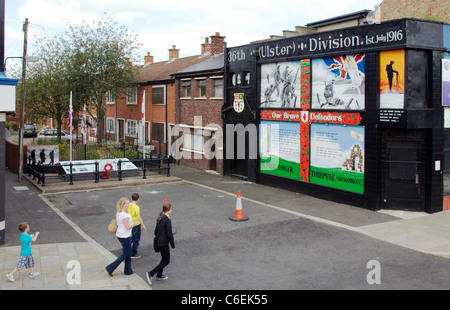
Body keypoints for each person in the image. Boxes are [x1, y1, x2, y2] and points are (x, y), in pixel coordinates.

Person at [146, 203, 175, 285]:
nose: (172, 210)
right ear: (168, 210)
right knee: (166, 261)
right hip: (164, 243)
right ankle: (151, 273)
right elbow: (170, 234)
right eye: (171, 209)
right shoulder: (167, 220)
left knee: (163, 259)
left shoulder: (160, 218)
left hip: (159, 241)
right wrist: (172, 245)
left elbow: (155, 231)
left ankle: (159, 274)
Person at [105, 197, 135, 276]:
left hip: (120, 235)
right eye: (127, 203)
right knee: (126, 253)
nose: (129, 205)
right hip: (125, 236)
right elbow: (127, 227)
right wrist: (134, 224)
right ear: (123, 205)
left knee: (127, 253)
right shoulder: (124, 216)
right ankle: (111, 267)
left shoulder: (119, 213)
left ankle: (128, 270)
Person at [128, 193, 147, 258]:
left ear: (131, 198)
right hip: (136, 224)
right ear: (138, 199)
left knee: (133, 236)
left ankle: (126, 245)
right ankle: (133, 253)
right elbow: (139, 217)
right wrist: (143, 225)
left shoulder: (129, 205)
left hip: (130, 224)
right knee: (136, 239)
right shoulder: (136, 207)